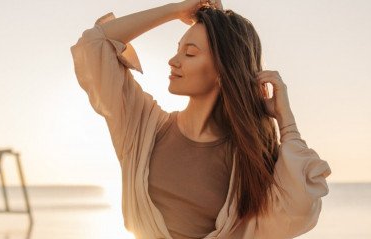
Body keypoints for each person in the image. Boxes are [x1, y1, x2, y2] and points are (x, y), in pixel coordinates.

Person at [70, 0, 332, 238]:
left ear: (222, 70)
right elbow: (95, 43)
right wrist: (177, 10)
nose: (173, 61)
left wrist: (286, 121)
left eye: (190, 53)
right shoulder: (142, 126)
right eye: (178, 50)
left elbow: (299, 210)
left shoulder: (248, 156)